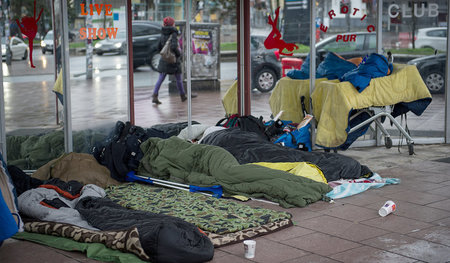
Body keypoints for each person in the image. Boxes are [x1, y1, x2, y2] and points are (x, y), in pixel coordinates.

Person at [152, 16, 196, 104]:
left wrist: (165, 52)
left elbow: (158, 47)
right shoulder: (173, 33)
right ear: (172, 24)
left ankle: (155, 96)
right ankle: (183, 96)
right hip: (173, 60)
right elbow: (173, 46)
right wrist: (178, 54)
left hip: (164, 59)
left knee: (160, 78)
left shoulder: (162, 33)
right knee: (179, 78)